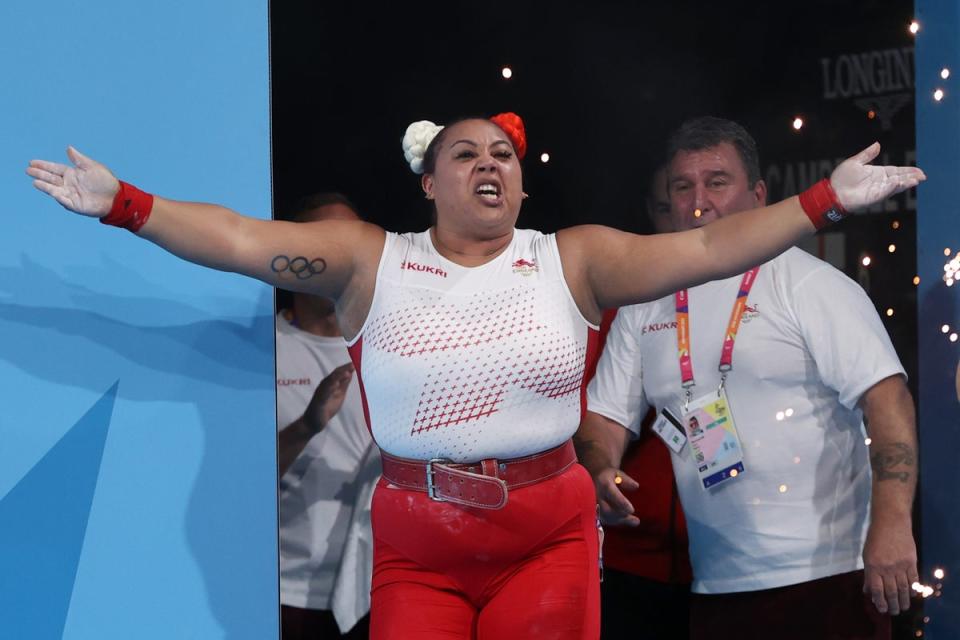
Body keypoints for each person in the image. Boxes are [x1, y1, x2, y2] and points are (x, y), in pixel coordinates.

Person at [26, 112, 923, 640]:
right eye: (466, 153)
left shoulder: (572, 259)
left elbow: (706, 242)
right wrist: (127, 207)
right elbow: (237, 240)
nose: (489, 163)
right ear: (429, 184)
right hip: (421, 541)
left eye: (503, 153)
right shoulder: (368, 261)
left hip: (546, 533)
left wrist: (824, 199)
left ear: (520, 185)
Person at [579, 116, 919, 640]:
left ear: (759, 195)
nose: (699, 202)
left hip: (830, 575)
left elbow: (887, 399)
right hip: (716, 587)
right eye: (682, 186)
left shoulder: (811, 285)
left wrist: (893, 525)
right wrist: (600, 468)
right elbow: (604, 417)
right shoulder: (643, 306)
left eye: (717, 182)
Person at [580, 166, 692, 640]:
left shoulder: (746, 301)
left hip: (715, 556)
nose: (682, 217)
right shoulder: (619, 306)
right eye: (667, 207)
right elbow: (588, 415)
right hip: (627, 546)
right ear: (650, 212)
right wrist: (600, 465)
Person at [275, 193, 377, 640]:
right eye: (330, 240)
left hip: (375, 591)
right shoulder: (262, 349)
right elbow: (234, 484)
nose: (344, 255)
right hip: (287, 592)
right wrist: (306, 427)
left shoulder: (389, 347)